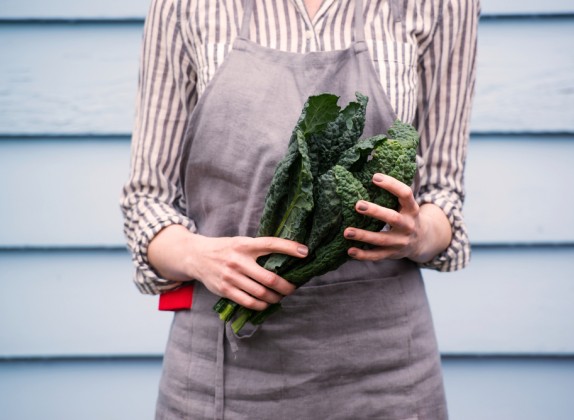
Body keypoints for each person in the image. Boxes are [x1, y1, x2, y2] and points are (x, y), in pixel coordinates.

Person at [120, 0, 479, 418]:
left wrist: (418, 233)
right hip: (223, 374)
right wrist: (200, 257)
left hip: (385, 374)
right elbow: (146, 199)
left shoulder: (442, 6)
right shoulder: (184, 6)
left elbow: (444, 194)